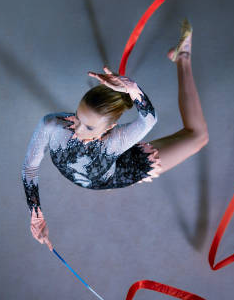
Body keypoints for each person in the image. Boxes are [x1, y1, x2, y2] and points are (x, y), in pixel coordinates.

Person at [21, 19, 209, 251]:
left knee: (198, 136)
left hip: (122, 171)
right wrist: (36, 214)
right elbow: (30, 168)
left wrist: (133, 89)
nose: (77, 130)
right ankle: (181, 56)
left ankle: (183, 57)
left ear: (110, 128)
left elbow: (149, 119)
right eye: (77, 117)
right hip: (101, 173)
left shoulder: (115, 142)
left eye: (89, 128)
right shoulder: (53, 125)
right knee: (194, 137)